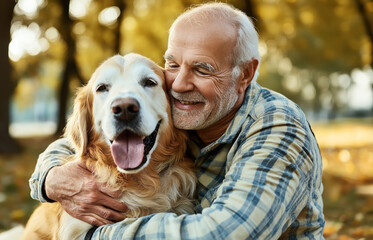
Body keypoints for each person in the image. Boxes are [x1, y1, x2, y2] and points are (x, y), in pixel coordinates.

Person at [29, 2, 325, 239]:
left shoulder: (277, 127)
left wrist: (94, 236)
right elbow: (77, 142)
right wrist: (50, 177)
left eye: (202, 68)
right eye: (172, 64)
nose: (180, 84)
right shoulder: (185, 112)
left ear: (244, 74)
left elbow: (229, 234)